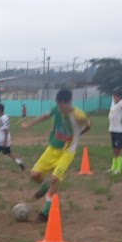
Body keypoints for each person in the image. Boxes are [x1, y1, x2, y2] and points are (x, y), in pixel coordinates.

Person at [21, 88, 91, 222]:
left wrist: (79, 134)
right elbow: (46, 116)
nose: (60, 109)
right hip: (53, 147)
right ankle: (45, 186)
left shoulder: (79, 115)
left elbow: (89, 125)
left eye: (62, 106)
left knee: (54, 178)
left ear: (69, 102)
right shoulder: (57, 108)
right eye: (58, 105)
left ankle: (46, 212)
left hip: (67, 151)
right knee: (34, 175)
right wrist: (29, 124)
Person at [107, 89, 122, 175]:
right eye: (113, 97)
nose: (114, 98)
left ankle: (118, 169)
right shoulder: (113, 103)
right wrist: (115, 93)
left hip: (118, 131)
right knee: (114, 150)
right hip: (112, 130)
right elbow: (113, 97)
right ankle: (113, 167)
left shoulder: (121, 104)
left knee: (118, 150)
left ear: (120, 98)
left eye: (116, 97)